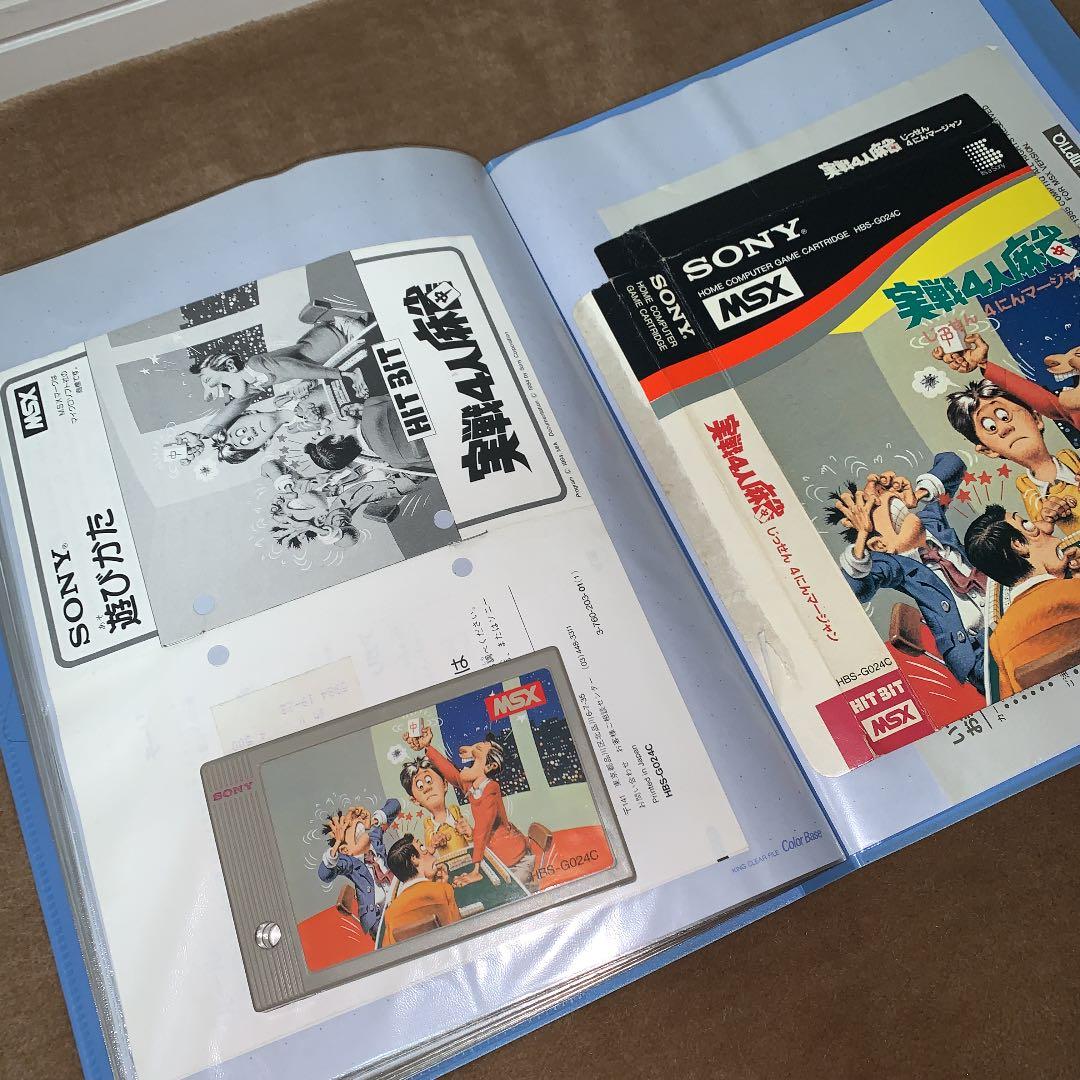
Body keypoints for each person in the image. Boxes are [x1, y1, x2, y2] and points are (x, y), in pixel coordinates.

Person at [825, 454, 986, 691]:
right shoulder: (894, 565)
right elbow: (853, 590)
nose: (888, 498)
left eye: (886, 496)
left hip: (1009, 612)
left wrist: (918, 493)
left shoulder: (932, 521)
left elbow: (953, 464)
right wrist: (862, 534)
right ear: (880, 544)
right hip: (977, 650)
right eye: (877, 507)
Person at [939, 333, 1080, 545]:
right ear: (987, 450)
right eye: (991, 426)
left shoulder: (1069, 458)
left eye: (1004, 417)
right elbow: (1049, 403)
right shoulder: (1029, 488)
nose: (1005, 428)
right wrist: (985, 365)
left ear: (1036, 418)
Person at [964, 504, 1080, 697]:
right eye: (1027, 525)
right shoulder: (1074, 591)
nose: (1047, 528)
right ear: (1018, 545)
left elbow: (1014, 705)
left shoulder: (999, 642)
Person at [403, 725, 535, 889]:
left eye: (475, 757)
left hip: (514, 860)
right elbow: (451, 774)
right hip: (494, 855)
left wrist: (476, 870)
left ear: (489, 767)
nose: (465, 756)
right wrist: (427, 747)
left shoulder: (490, 791)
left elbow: (482, 829)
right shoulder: (474, 787)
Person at [191, 310, 371, 403]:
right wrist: (305, 384)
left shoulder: (255, 365)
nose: (229, 391)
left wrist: (343, 375)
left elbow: (296, 368)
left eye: (212, 380)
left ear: (230, 366)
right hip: (338, 355)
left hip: (341, 334)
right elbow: (301, 370)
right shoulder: (257, 380)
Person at [317, 798, 400, 939]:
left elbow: (395, 805)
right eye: (349, 827)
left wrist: (375, 820)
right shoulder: (349, 862)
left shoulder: (374, 839)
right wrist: (337, 843)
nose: (356, 822)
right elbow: (324, 874)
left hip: (400, 898)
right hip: (378, 917)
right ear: (345, 849)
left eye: (354, 821)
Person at [380, 834, 461, 947]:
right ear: (414, 859)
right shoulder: (443, 890)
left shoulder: (390, 913)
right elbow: (460, 934)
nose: (429, 851)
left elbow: (389, 952)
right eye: (422, 847)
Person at [399, 755, 473, 855]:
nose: (427, 788)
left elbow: (473, 838)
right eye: (420, 786)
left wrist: (469, 832)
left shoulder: (455, 812)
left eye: (429, 781)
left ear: (445, 784)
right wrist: (434, 843)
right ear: (415, 800)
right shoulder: (429, 826)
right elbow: (429, 851)